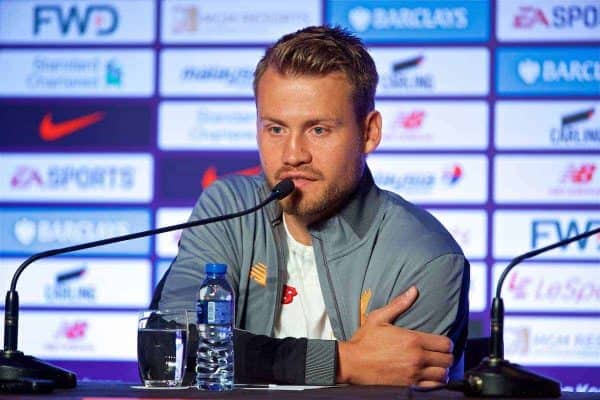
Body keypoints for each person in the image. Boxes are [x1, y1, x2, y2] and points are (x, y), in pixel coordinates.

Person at [152, 25, 469, 387]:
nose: (293, 155)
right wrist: (342, 362)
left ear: (369, 133)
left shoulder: (425, 258)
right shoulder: (228, 209)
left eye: (318, 130)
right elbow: (171, 345)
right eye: (276, 129)